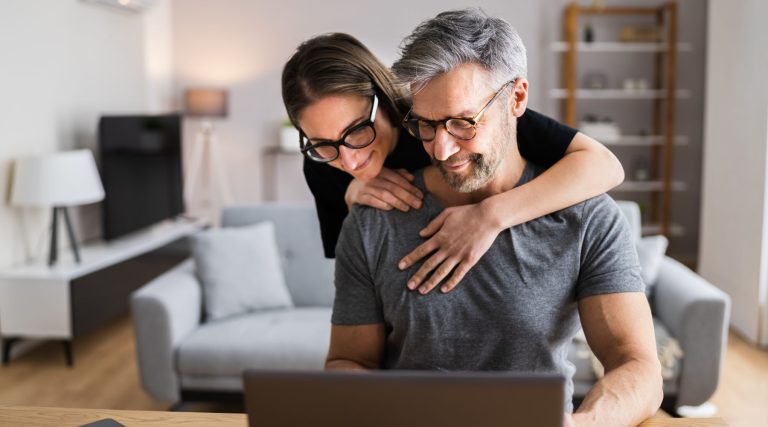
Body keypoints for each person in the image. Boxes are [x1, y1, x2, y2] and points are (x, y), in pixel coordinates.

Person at [325, 9, 663, 427]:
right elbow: (347, 361)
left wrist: (584, 425)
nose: (441, 149)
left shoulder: (588, 218)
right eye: (426, 125)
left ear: (517, 99)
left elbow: (638, 367)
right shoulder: (375, 219)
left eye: (463, 123)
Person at [282, 32, 625, 294]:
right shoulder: (320, 165)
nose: (349, 158)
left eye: (357, 131)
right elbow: (359, 281)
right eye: (323, 143)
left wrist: (489, 216)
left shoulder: (443, 114)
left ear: (382, 99)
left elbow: (605, 165)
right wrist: (351, 198)